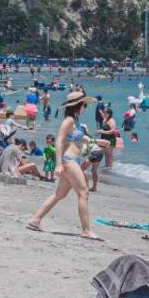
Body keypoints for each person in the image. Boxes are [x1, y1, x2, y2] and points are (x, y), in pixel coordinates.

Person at [26, 90, 101, 239]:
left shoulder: (76, 121)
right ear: (77, 105)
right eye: (84, 105)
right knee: (83, 192)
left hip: (74, 160)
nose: (85, 108)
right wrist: (59, 164)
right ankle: (86, 230)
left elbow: (79, 139)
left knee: (59, 195)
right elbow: (59, 140)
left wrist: (97, 141)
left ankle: (35, 220)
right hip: (68, 160)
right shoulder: (69, 120)